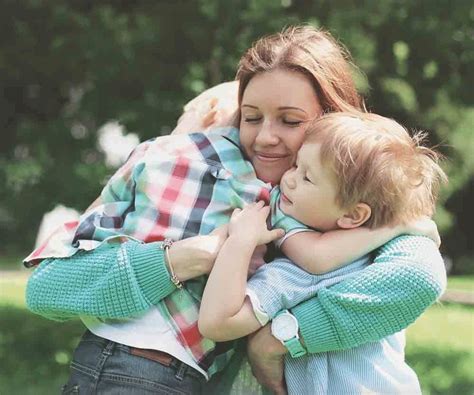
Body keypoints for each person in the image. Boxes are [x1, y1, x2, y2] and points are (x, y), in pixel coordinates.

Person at [24, 26, 447, 394]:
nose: (265, 137)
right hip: (134, 368)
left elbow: (418, 277)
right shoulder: (194, 167)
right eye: (250, 117)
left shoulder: (364, 196)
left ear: (331, 124)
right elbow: (46, 287)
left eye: (291, 121)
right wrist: (181, 257)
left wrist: (280, 340)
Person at [198, 112, 447, 394]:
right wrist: (398, 226)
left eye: (307, 177)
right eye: (295, 165)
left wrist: (240, 241)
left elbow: (217, 322)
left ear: (353, 215)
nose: (288, 180)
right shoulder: (379, 262)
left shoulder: (302, 276)